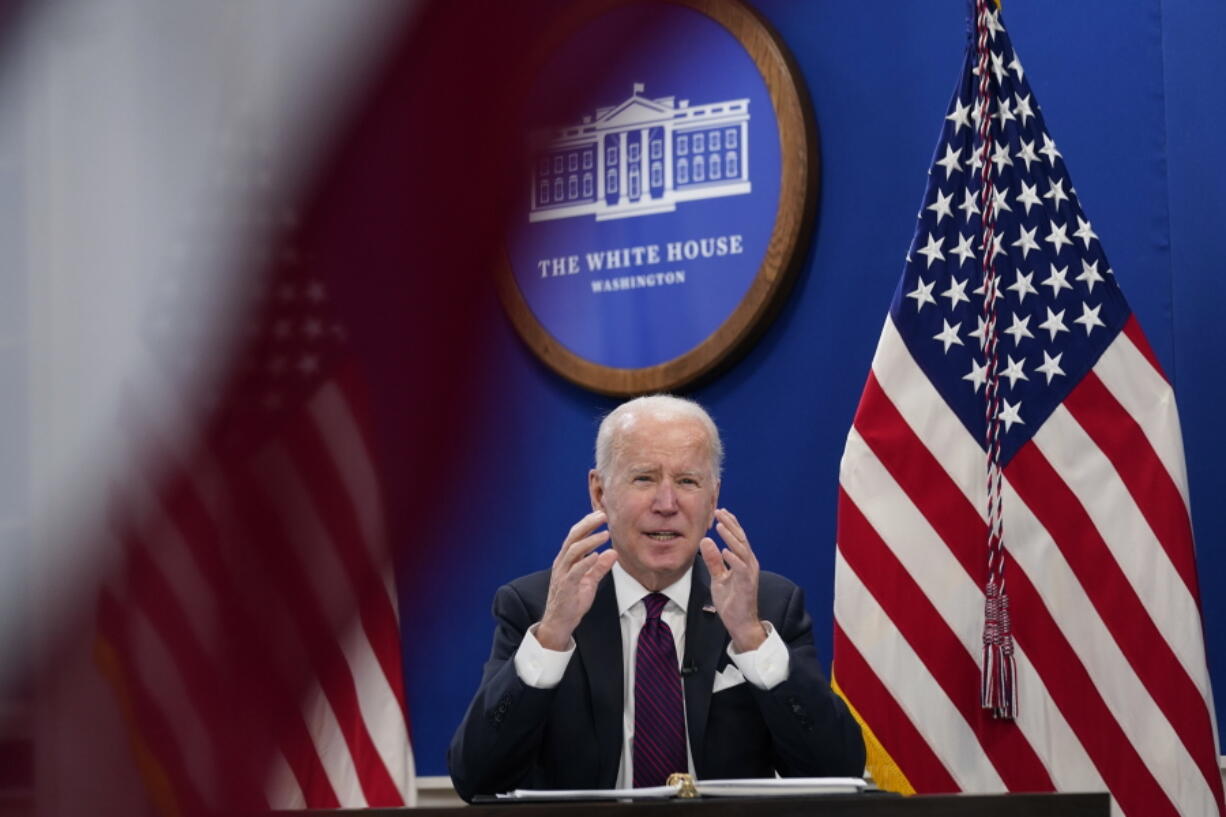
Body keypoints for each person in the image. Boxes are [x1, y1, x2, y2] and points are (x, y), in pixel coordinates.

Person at [448, 395, 865, 801]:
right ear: (599, 492)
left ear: (713, 497)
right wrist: (552, 637)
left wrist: (752, 640)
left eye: (687, 481)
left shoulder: (768, 606)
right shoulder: (536, 607)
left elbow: (835, 771)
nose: (667, 504)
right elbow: (477, 779)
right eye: (644, 478)